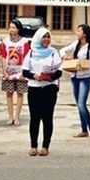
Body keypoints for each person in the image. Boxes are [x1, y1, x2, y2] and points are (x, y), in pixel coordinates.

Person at [22, 27, 63, 156]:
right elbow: (24, 71)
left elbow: (59, 71)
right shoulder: (31, 53)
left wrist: (49, 76)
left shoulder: (53, 52)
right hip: (34, 88)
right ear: (38, 38)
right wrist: (34, 76)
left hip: (49, 88)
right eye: (43, 37)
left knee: (47, 118)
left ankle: (45, 146)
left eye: (48, 37)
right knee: (34, 118)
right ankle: (33, 145)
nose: (46, 39)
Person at [60, 24, 90, 141]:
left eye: (79, 31)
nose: (77, 33)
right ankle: (84, 130)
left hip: (85, 78)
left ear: (85, 34)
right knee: (79, 105)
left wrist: (83, 66)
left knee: (82, 104)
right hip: (74, 77)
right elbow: (62, 50)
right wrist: (65, 57)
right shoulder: (75, 44)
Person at [0, 19, 30, 126]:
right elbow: (3, 56)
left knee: (20, 93)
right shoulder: (5, 41)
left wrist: (24, 72)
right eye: (10, 27)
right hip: (9, 71)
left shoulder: (24, 42)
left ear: (18, 29)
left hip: (20, 71)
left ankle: (17, 117)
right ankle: (10, 116)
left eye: (13, 27)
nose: (11, 29)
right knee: (9, 93)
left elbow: (27, 57)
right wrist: (4, 71)